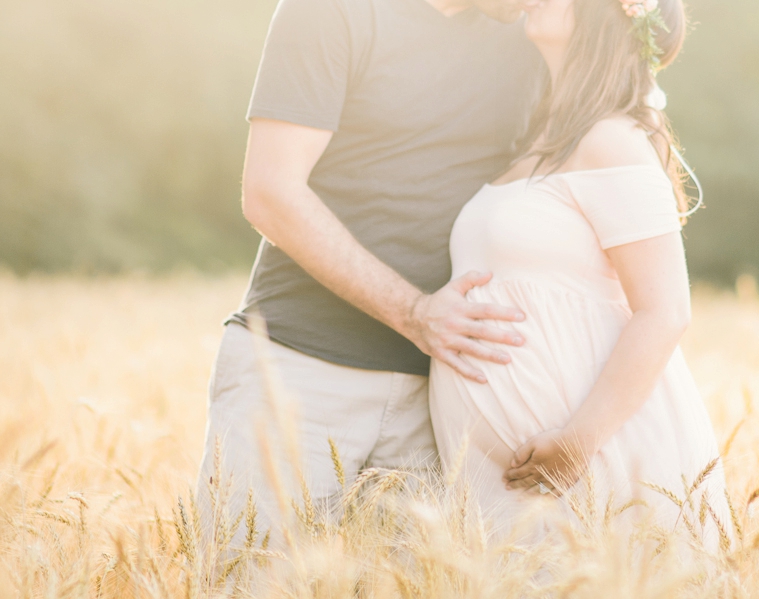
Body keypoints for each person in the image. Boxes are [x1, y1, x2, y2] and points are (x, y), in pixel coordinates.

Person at [196, 0, 546, 549]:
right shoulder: (333, 12)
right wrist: (415, 313)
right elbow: (270, 191)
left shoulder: (534, 40)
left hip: (445, 400)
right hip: (297, 372)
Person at [428, 0, 732, 548]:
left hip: (595, 467)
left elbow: (665, 310)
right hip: (516, 490)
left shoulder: (610, 140)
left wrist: (577, 442)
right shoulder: (543, 135)